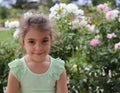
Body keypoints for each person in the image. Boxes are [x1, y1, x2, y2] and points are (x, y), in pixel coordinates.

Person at [7, 14, 68, 93]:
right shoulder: (17, 69)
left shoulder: (58, 68)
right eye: (32, 42)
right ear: (23, 42)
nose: (38, 48)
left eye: (44, 41)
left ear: (51, 40)